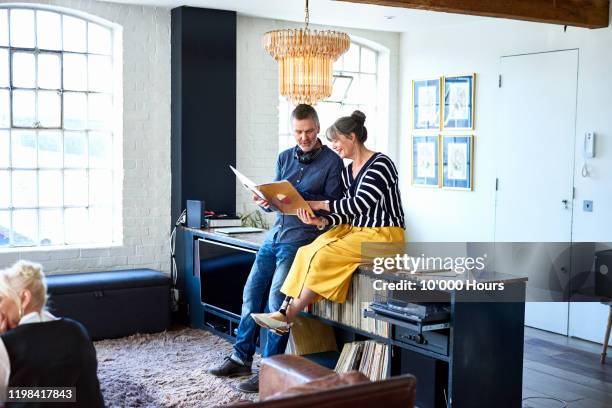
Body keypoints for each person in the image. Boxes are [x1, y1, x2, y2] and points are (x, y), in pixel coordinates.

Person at [207, 104, 344, 393]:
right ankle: (240, 357)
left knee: (276, 305)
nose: (303, 137)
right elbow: (279, 203)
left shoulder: (333, 163)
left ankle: (270, 370)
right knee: (250, 294)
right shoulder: (284, 157)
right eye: (298, 132)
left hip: (301, 241)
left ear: (318, 128)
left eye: (308, 131)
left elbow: (335, 208)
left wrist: (314, 211)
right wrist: (266, 202)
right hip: (275, 235)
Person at [252, 110, 405, 333]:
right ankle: (283, 312)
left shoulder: (380, 164)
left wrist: (320, 205)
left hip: (384, 235)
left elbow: (358, 205)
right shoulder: (347, 172)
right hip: (354, 230)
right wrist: (320, 222)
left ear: (352, 137)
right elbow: (344, 213)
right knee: (306, 251)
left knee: (323, 255)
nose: (333, 146)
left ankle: (287, 316)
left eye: (336, 140)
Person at [0, 261, 104, 407]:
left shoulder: (6, 345)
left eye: (1, 299)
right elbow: (72, 393)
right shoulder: (77, 330)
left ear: (24, 298)